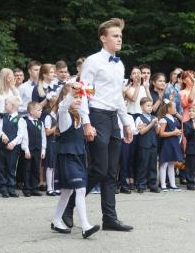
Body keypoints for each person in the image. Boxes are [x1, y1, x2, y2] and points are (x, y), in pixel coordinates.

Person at [62, 18, 134, 232]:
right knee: (99, 169)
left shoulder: (119, 64)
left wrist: (126, 122)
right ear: (103, 38)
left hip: (113, 118)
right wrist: (86, 122)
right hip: (97, 115)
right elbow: (83, 93)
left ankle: (110, 218)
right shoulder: (92, 61)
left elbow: (119, 97)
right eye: (115, 35)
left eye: (120, 35)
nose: (119, 38)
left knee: (112, 172)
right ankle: (67, 208)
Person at [51, 83, 100, 238]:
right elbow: (62, 107)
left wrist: (91, 132)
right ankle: (85, 225)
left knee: (67, 191)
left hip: (78, 156)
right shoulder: (65, 115)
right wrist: (70, 93)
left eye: (80, 97)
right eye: (75, 97)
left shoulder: (81, 116)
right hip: (67, 156)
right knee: (80, 189)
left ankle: (56, 220)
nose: (79, 99)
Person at [18, 101, 46, 197]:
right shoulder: (24, 121)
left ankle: (34, 187)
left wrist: (43, 150)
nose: (41, 112)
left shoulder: (40, 123)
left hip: (37, 150)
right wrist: (26, 149)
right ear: (31, 111)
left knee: (36, 169)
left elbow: (43, 137)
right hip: (28, 150)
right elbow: (24, 136)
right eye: (39, 110)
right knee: (27, 169)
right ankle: (27, 188)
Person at [0, 96, 22, 198]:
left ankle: (11, 188)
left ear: (12, 106)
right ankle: (3, 188)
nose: (4, 106)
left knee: (11, 168)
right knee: (2, 167)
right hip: (2, 147)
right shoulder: (4, 117)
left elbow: (21, 134)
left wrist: (13, 143)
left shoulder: (20, 119)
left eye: (6, 104)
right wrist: (2, 135)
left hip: (13, 149)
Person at [135, 97, 160, 193]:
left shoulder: (154, 118)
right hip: (144, 144)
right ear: (142, 107)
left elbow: (157, 132)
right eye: (147, 106)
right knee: (143, 164)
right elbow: (141, 132)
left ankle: (152, 184)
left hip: (153, 144)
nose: (150, 108)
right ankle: (141, 185)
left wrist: (156, 124)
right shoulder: (139, 118)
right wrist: (151, 124)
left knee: (152, 165)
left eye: (151, 105)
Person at [158, 100, 182, 192]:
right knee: (164, 164)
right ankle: (163, 184)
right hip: (166, 144)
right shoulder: (163, 119)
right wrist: (174, 132)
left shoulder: (174, 118)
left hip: (174, 143)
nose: (176, 109)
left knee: (172, 164)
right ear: (169, 109)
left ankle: (172, 184)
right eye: (174, 107)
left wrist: (177, 132)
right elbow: (161, 133)